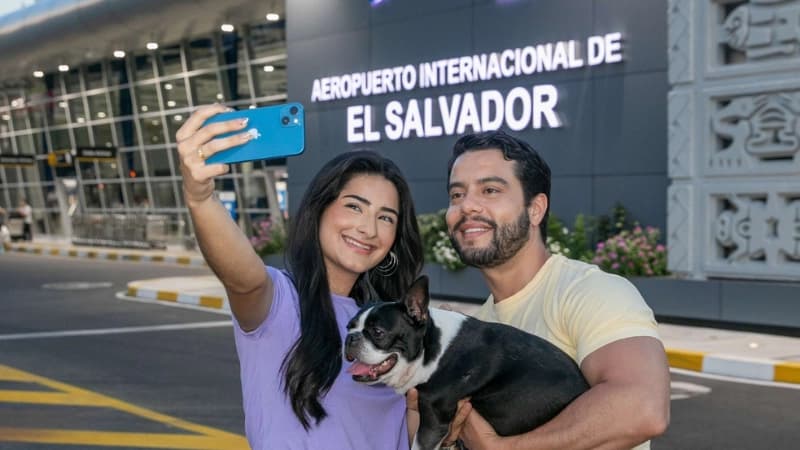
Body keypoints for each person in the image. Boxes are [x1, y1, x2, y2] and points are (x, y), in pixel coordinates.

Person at [175, 104, 424, 450]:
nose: (368, 228)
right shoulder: (279, 302)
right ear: (319, 210)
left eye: (386, 218)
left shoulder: (392, 325)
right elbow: (243, 278)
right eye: (354, 206)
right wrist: (200, 198)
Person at [438, 130, 670, 450]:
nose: (468, 207)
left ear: (535, 209)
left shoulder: (590, 292)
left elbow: (643, 407)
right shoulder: (478, 327)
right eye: (456, 195)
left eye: (490, 190)